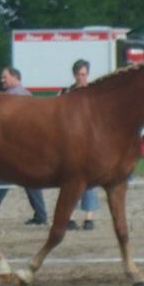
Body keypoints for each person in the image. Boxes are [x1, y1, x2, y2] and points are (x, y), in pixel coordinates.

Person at [0, 67, 48, 226]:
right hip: (26, 147)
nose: (2, 80)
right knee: (29, 181)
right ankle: (41, 216)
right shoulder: (27, 95)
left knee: (2, 180)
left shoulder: (10, 98)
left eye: (5, 77)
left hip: (13, 148)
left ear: (15, 77)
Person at [65, 59, 99, 230]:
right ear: (74, 75)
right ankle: (69, 216)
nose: (82, 78)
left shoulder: (93, 93)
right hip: (71, 141)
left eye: (84, 74)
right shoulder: (66, 93)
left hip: (89, 142)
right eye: (79, 74)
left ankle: (89, 217)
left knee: (89, 181)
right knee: (70, 180)